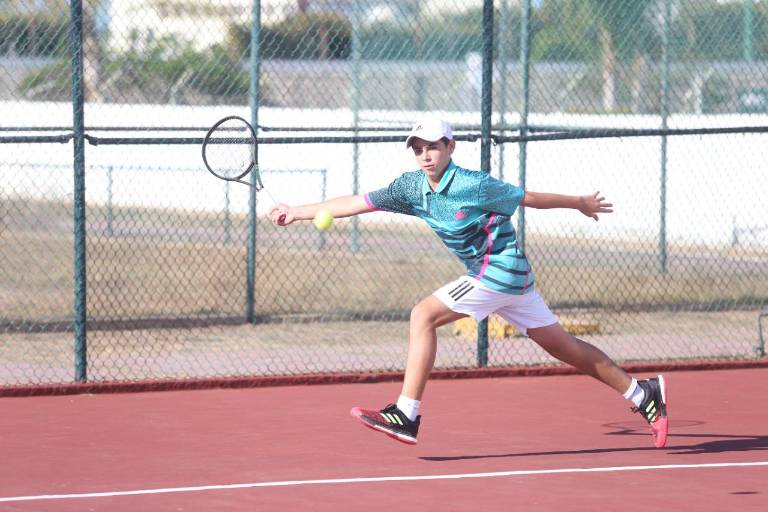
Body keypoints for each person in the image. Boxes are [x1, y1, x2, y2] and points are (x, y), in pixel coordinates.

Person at [268, 118, 669, 448]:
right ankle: (641, 393)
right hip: (508, 279)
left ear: (450, 147)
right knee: (563, 347)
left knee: (422, 315)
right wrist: (298, 211)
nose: (426, 155)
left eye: (433, 146)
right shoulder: (411, 187)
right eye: (418, 148)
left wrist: (579, 202)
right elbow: (356, 203)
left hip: (500, 269)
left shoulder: (473, 184)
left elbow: (527, 197)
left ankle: (406, 413)